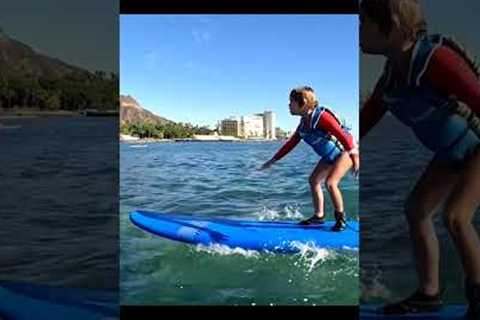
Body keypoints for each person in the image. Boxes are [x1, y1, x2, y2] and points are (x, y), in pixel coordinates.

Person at [359, 0, 480, 317]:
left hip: (477, 147)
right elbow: (367, 119)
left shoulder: (436, 59)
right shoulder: (391, 77)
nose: (358, 31)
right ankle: (429, 294)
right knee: (416, 209)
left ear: (394, 25)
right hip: (450, 152)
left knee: (456, 216)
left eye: (364, 23)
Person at [260, 86, 359, 231]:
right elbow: (291, 144)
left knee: (331, 183)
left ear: (303, 102)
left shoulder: (322, 117)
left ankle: (340, 220)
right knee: (313, 180)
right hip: (329, 156)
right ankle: (319, 216)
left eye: (291, 102)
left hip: (345, 152)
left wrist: (354, 155)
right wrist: (273, 160)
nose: (288, 105)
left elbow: (343, 135)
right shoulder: (303, 124)